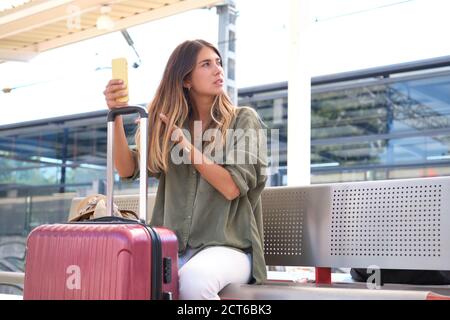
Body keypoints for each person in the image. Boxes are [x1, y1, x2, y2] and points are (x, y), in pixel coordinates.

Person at [103, 39, 268, 300]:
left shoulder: (243, 119)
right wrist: (117, 115)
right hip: (172, 249)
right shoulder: (170, 125)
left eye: (218, 63)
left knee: (194, 282)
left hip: (229, 248)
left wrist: (187, 147)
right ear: (186, 80)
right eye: (206, 64)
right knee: (119, 277)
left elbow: (231, 186)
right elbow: (127, 169)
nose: (218, 70)